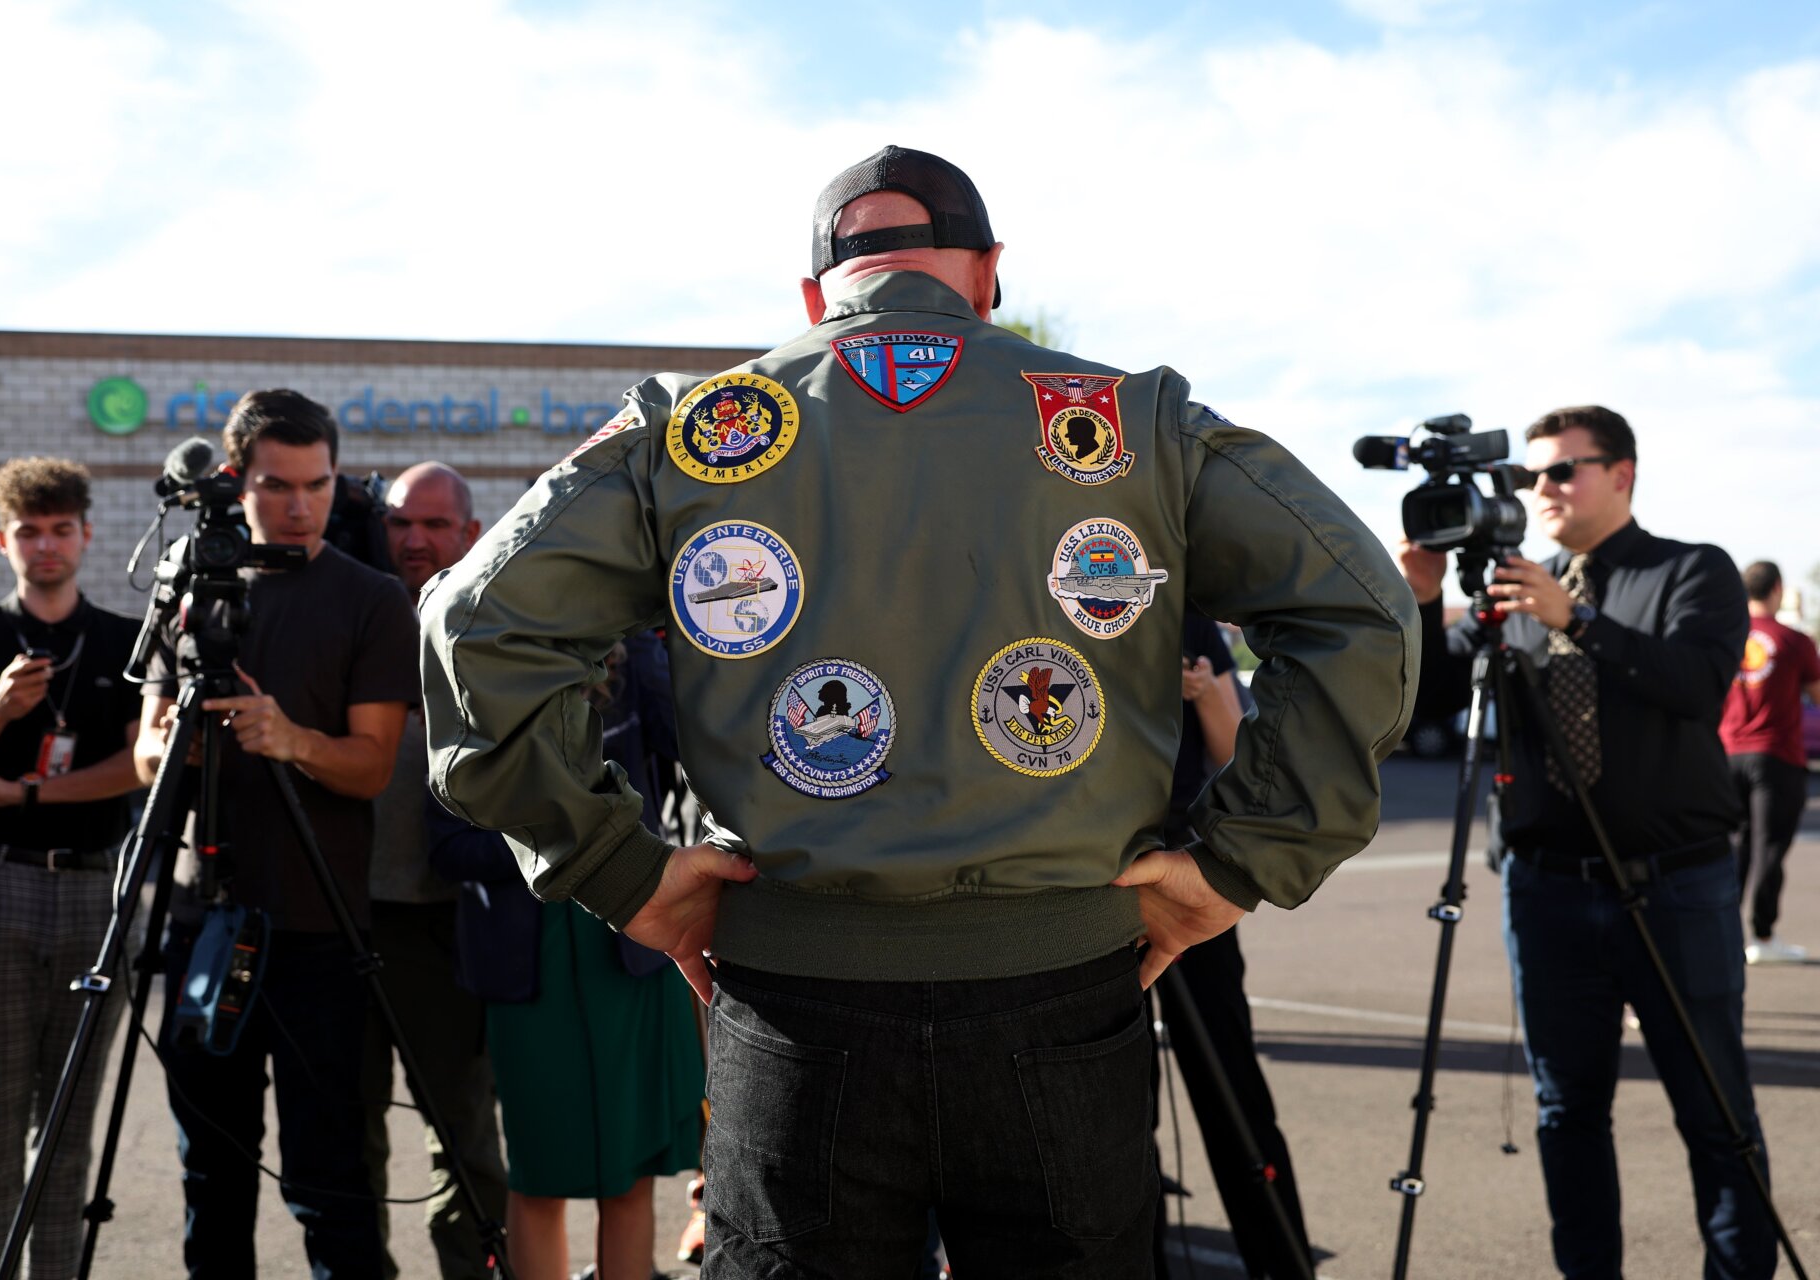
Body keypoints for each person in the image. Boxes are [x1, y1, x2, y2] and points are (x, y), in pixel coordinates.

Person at [421, 144, 1417, 1278]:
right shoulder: (1132, 421)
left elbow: (476, 624)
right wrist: (1245, 858)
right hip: (1064, 993)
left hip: (796, 1003)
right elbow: (1366, 610)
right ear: (987, 272)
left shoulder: (694, 427)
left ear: (813, 297)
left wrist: (619, 870)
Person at [1400, 405, 1770, 1278]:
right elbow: (1426, 699)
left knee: (1716, 1115)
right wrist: (1419, 600)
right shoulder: (1513, 587)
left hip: (1677, 886)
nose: (1543, 491)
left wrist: (1575, 619)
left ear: (1622, 474)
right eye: (1532, 476)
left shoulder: (1691, 571)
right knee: (1566, 1114)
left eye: (1564, 471)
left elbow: (1697, 685)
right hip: (1548, 892)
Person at [135, 389, 420, 1278]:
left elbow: (371, 767)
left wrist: (289, 738)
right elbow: (143, 755)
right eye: (276, 486)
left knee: (329, 1180)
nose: (299, 506)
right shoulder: (182, 585)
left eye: (318, 484)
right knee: (209, 1173)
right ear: (235, 480)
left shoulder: (372, 599)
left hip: (318, 934)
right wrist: (181, 737)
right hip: (199, 920)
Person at [0, 457, 142, 1280]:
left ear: (85, 534)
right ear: (3, 539)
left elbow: (141, 764)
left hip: (91, 884)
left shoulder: (122, 641)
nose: (46, 546)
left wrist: (31, 791)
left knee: (70, 1134)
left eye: (61, 530)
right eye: (30, 532)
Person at [429, 633, 700, 1280]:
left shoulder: (631, 668)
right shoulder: (471, 685)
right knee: (539, 1175)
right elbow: (446, 847)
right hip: (532, 968)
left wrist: (650, 636)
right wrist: (558, 841)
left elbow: (693, 744)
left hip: (631, 951)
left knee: (632, 1175)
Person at [359, 461, 510, 1279]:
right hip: (349, 915)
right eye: (399, 523)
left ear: (470, 532)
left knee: (464, 1139)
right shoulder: (354, 613)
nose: (415, 540)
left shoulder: (489, 626)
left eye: (435, 525)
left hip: (448, 923)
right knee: (350, 1138)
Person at [1154, 611, 1312, 1279]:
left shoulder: (1185, 615)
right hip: (1078, 884)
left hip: (1181, 880)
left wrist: (1209, 695)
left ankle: (1282, 1261)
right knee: (1107, 1110)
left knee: (1232, 1092)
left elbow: (1233, 761)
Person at [1721, 559, 1819, 965]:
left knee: (1732, 848)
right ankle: (1760, 934)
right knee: (1769, 848)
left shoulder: (1725, 636)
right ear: (1777, 589)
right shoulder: (1795, 641)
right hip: (1776, 756)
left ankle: (1722, 934)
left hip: (1726, 754)